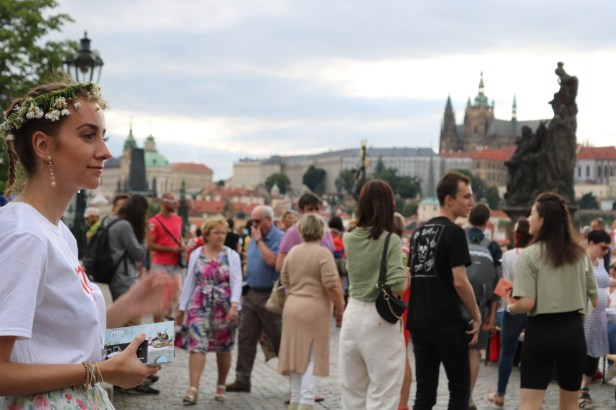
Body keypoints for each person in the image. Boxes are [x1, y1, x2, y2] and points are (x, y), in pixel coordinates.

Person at [0, 79, 177, 407]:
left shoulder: (58, 232)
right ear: (43, 145)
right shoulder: (25, 235)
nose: (106, 152)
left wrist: (128, 305)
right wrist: (100, 371)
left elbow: (59, 339)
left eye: (103, 137)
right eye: (88, 136)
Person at [505, 192, 598, 410]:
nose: (528, 219)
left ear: (543, 220)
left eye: (532, 214)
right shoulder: (580, 255)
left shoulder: (529, 255)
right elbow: (594, 299)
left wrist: (510, 307)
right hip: (573, 331)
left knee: (530, 404)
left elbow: (527, 303)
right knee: (570, 405)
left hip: (541, 332)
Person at [406, 171, 481, 409]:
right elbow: (460, 282)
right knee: (459, 390)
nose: (472, 202)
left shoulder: (418, 233)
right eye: (466, 196)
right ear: (449, 199)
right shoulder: (454, 233)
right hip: (447, 322)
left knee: (424, 394)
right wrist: (477, 315)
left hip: (420, 322)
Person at [339, 179, 408, 409]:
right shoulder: (391, 240)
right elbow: (398, 284)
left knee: (353, 393)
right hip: (379, 318)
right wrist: (405, 273)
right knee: (383, 393)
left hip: (352, 313)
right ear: (388, 205)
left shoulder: (349, 237)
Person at [278, 214, 345, 410]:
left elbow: (284, 280)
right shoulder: (323, 253)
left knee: (295, 355)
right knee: (312, 356)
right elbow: (331, 285)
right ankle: (307, 401)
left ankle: (295, 400)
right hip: (315, 309)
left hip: (292, 307)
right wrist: (340, 306)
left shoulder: (293, 251)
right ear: (321, 231)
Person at [177, 215, 242, 404]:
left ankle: (221, 385)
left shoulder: (231, 255)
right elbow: (189, 281)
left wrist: (235, 305)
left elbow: (237, 281)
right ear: (206, 234)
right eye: (216, 232)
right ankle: (193, 388)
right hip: (199, 304)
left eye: (223, 232)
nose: (221, 236)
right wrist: (182, 307)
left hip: (224, 306)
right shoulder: (197, 254)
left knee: (224, 346)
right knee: (197, 344)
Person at [226, 205, 284, 392]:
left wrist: (258, 241)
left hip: (271, 294)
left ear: (269, 220)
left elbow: (273, 262)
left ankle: (296, 381)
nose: (254, 224)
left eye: (258, 221)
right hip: (252, 293)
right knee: (246, 337)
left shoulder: (279, 238)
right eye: (253, 221)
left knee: (279, 337)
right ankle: (242, 378)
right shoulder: (252, 238)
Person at [486, 218, 532, 407]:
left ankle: (500, 394)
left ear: (515, 235)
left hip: (513, 308)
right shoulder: (539, 255)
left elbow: (504, 285)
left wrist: (509, 306)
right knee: (532, 354)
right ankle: (530, 397)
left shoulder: (509, 256)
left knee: (507, 353)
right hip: (534, 309)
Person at [465, 203, 501, 409]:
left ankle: (457, 393)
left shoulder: (458, 240)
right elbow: (500, 283)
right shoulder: (493, 246)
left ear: (469, 219)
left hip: (456, 304)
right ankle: (468, 396)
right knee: (474, 352)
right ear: (487, 222)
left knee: (456, 350)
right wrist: (492, 315)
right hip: (481, 307)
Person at [579, 229, 612, 409]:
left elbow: (604, 282)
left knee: (593, 352)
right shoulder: (580, 259)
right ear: (591, 243)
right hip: (584, 313)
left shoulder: (600, 262)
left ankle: (584, 388)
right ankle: (576, 390)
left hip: (598, 315)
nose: (606, 252)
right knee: (581, 351)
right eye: (603, 247)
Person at [148, 192, 185, 322]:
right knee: (158, 299)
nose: (177, 205)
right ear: (164, 203)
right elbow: (150, 244)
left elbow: (179, 238)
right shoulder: (154, 222)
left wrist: (182, 246)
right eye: (174, 202)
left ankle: (169, 326)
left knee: (175, 298)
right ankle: (157, 328)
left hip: (176, 264)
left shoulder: (178, 219)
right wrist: (172, 249)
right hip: (160, 264)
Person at [275, 192, 334, 273]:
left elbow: (331, 260)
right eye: (310, 209)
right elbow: (280, 265)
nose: (314, 213)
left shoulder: (326, 232)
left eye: (317, 209)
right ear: (301, 211)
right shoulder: (292, 233)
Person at [393, 212, 412, 410]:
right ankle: (402, 404)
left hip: (395, 307)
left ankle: (400, 404)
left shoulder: (397, 252)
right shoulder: (406, 250)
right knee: (402, 355)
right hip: (405, 306)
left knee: (398, 357)